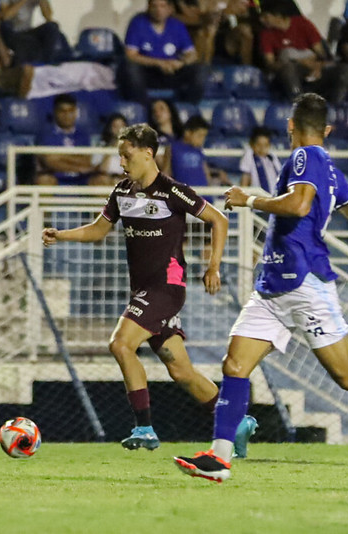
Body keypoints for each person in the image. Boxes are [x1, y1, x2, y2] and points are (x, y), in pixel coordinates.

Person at [174, 93, 348, 483]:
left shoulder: (307, 156)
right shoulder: (334, 174)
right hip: (273, 286)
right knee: (235, 365)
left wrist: (249, 199)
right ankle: (220, 459)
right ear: (328, 128)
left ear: (291, 126)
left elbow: (300, 205)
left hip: (305, 284)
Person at [41, 123, 257, 453]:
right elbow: (99, 231)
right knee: (181, 371)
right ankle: (238, 422)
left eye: (127, 156)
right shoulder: (122, 192)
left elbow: (219, 220)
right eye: (119, 157)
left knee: (120, 344)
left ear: (148, 153)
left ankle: (144, 427)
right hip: (145, 291)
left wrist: (213, 266)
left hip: (166, 288)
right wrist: (62, 235)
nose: (122, 163)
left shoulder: (173, 191)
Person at [119, 0, 209, 104]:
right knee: (129, 68)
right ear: (148, 7)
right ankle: (143, 109)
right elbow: (130, 55)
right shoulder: (137, 22)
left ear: (170, 9)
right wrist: (159, 63)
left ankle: (187, 109)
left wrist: (180, 63)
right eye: (154, 6)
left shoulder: (177, 25)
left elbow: (192, 55)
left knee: (202, 69)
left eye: (162, 6)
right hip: (147, 73)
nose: (158, 10)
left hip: (172, 72)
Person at [259, 3, 348, 104]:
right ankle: (299, 106)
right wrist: (297, 61)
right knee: (288, 69)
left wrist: (317, 66)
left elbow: (320, 53)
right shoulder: (266, 34)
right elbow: (270, 63)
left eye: (266, 16)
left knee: (344, 70)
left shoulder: (302, 23)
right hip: (291, 71)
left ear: (278, 15)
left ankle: (336, 108)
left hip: (314, 68)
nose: (262, 20)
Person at [35, 93, 110, 186]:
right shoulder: (46, 133)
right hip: (57, 178)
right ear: (55, 112)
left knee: (102, 180)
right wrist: (78, 166)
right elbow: (50, 161)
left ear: (75, 112)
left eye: (70, 111)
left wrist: (60, 157)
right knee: (44, 180)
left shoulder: (83, 134)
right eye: (62, 111)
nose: (67, 115)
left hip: (82, 179)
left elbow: (87, 160)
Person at [163, 114, 230, 187]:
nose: (202, 140)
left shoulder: (198, 151)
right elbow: (166, 172)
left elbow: (205, 171)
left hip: (203, 193)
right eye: (200, 135)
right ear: (187, 133)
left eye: (204, 136)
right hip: (184, 193)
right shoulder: (172, 148)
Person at [0, 0, 65, 63]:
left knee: (52, 26)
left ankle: (51, 60)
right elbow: (5, 17)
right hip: (11, 32)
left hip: (27, 30)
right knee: (29, 41)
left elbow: (48, 17)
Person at [239, 126, 281, 194]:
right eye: (259, 145)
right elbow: (245, 180)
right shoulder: (250, 156)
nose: (262, 149)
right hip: (259, 198)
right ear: (252, 145)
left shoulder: (272, 157)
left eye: (265, 145)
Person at [94, 112, 129, 182]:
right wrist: (112, 147)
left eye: (122, 126)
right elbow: (102, 169)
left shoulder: (133, 147)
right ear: (110, 128)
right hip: (106, 179)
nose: (119, 130)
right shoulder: (101, 146)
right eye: (115, 126)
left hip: (124, 179)